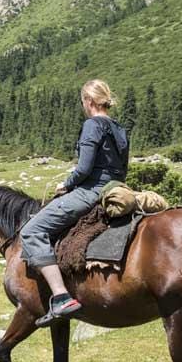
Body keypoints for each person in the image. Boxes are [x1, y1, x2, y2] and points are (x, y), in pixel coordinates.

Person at [21, 79, 129, 327]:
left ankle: (60, 296)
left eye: (83, 102)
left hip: (90, 192)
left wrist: (67, 184)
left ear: (89, 102)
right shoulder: (118, 127)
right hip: (115, 188)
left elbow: (84, 168)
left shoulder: (92, 125)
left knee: (32, 231)